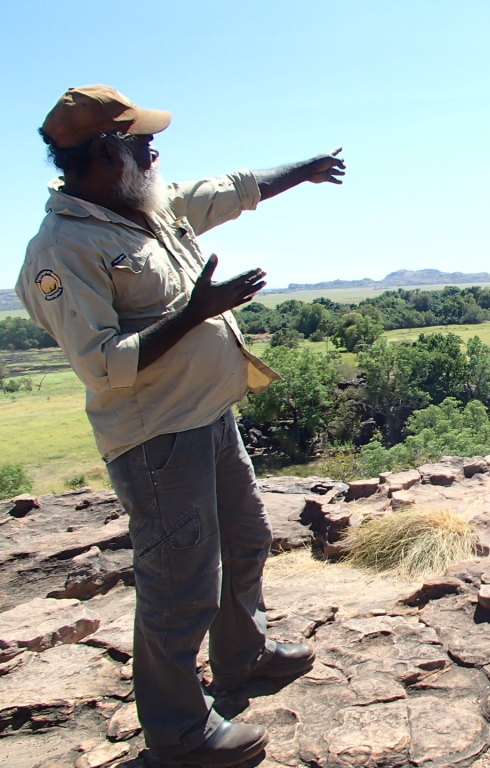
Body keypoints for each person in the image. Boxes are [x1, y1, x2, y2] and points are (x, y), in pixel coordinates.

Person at [16, 85, 345, 767]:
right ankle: (177, 732)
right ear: (107, 154)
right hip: (156, 437)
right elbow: (103, 365)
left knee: (249, 537)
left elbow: (232, 188)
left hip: (209, 415)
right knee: (179, 583)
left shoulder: (146, 207)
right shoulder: (62, 249)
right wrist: (198, 312)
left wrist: (305, 170)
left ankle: (244, 658)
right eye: (140, 142)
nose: (154, 150)